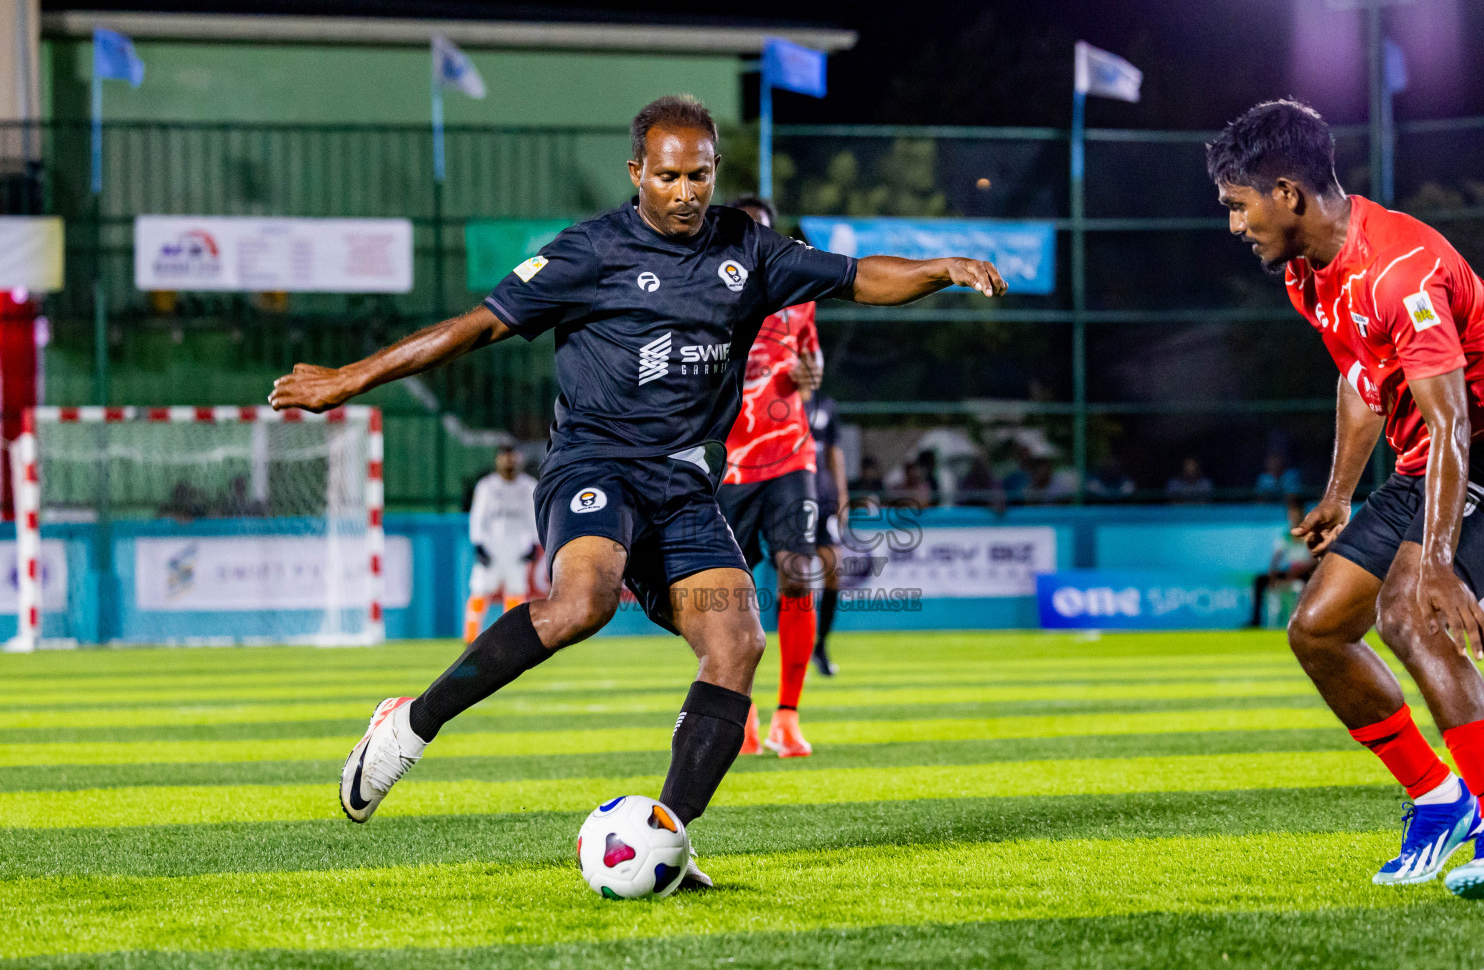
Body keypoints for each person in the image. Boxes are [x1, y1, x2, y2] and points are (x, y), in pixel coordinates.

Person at [268, 94, 1007, 889]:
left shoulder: (748, 250)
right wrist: (350, 378)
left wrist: (941, 270)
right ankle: (407, 727)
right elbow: (477, 325)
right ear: (637, 173)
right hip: (596, 464)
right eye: (668, 176)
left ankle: (666, 841)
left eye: (700, 174)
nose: (687, 191)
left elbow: (859, 278)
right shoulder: (590, 252)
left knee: (737, 644)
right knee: (582, 602)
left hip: (687, 487)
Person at [1209, 98, 1484, 898]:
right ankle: (1437, 798)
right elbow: (1362, 378)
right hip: (1428, 457)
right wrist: (1339, 493)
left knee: (1409, 612)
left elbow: (1455, 417)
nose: (1235, 225)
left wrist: (1441, 564)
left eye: (1237, 205)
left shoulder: (1400, 268)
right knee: (1318, 631)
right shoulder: (1306, 272)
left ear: (1286, 193)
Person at [716, 193, 824, 759]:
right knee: (727, 593)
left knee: (799, 571)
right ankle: (745, 712)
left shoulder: (798, 293)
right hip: (727, 465)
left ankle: (788, 714)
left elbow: (813, 363)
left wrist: (809, 374)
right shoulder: (703, 292)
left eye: (761, 233)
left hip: (789, 453)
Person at [463, 444, 539, 644]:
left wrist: (533, 543)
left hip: (517, 549)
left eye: (512, 457)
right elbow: (478, 517)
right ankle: (470, 636)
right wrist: (478, 544)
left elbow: (533, 518)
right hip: (492, 547)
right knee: (481, 590)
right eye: (505, 457)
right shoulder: (487, 487)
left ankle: (511, 636)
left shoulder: (528, 486)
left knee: (516, 591)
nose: (509, 461)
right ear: (498, 459)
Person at [802, 384, 848, 678]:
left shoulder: (826, 404)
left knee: (834, 569)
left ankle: (820, 646)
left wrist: (842, 495)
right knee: (795, 576)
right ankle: (798, 651)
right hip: (794, 497)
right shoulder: (783, 401)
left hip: (825, 498)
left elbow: (834, 452)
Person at [1250, 496, 1317, 627]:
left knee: (1309, 580)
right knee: (1259, 580)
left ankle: (1303, 621)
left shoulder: (1310, 534)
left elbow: (1314, 561)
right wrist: (1272, 574)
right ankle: (1255, 621)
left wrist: (1299, 571)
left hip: (1305, 573)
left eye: (1296, 513)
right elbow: (1277, 556)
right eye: (1290, 513)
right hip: (1289, 571)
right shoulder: (1286, 535)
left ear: (1302, 514)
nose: (1292, 516)